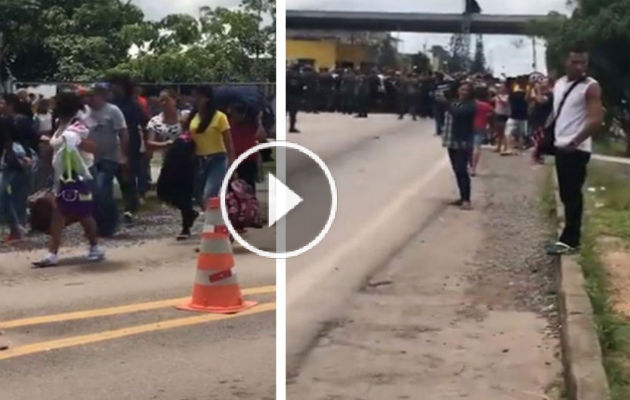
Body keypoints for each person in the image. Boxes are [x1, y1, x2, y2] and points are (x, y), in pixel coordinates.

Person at [32, 91, 104, 267]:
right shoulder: (58, 124)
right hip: (62, 176)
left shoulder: (78, 125)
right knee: (60, 213)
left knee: (83, 214)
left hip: (79, 175)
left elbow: (93, 147)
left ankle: (93, 247)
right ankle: (53, 253)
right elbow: (56, 148)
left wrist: (76, 142)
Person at [546, 45, 603, 255]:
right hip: (561, 146)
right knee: (565, 193)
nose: (579, 66)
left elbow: (596, 119)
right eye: (575, 62)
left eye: (583, 62)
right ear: (565, 62)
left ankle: (571, 241)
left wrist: (575, 142)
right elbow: (559, 113)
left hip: (576, 149)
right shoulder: (560, 84)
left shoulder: (590, 86)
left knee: (572, 195)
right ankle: (568, 238)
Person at [147, 89, 199, 240]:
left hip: (188, 160)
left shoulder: (185, 117)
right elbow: (149, 142)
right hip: (169, 160)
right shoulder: (155, 121)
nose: (163, 103)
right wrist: (165, 144)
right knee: (163, 192)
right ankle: (189, 212)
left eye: (166, 100)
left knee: (185, 193)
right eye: (161, 100)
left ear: (174, 100)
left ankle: (186, 227)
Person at [85, 84, 128, 237]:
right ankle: (98, 224)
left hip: (109, 156)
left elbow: (123, 133)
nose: (88, 99)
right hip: (90, 158)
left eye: (91, 95)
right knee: (94, 193)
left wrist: (123, 155)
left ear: (100, 96)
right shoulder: (85, 112)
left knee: (102, 189)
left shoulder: (112, 111)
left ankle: (109, 225)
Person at [109, 76, 149, 225]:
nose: (114, 89)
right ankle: (112, 212)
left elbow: (145, 122)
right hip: (111, 146)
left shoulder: (132, 105)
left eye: (117, 86)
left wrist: (146, 142)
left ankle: (130, 208)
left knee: (127, 177)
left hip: (131, 144)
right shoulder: (109, 105)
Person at [188, 85, 234, 208]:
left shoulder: (219, 117)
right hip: (199, 160)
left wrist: (232, 163)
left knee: (209, 194)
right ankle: (209, 219)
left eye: (198, 97)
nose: (195, 100)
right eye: (194, 97)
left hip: (217, 159)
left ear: (207, 99)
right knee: (198, 195)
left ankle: (211, 221)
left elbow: (229, 143)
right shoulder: (194, 117)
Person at [0, 94, 38, 242]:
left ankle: (18, 228)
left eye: (2, 102)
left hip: (20, 161)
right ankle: (17, 226)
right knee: (9, 195)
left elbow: (30, 139)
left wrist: (28, 155)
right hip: (11, 161)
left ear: (10, 105)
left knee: (16, 195)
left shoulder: (19, 120)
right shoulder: (5, 121)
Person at [439, 81, 476, 210]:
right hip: (452, 141)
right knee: (457, 170)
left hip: (463, 141)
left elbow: (457, 114)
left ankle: (467, 199)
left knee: (462, 170)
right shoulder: (455, 103)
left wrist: (445, 102)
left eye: (466, 90)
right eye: (462, 89)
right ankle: (462, 196)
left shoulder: (470, 106)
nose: (463, 92)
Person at [228, 101, 266, 193]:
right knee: (232, 190)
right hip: (234, 160)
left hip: (249, 160)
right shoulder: (227, 125)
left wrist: (259, 121)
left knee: (248, 190)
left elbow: (262, 137)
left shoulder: (251, 124)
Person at [530, 78, 554, 163]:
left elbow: (541, 101)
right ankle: (537, 155)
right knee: (537, 138)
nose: (541, 84)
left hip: (544, 119)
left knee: (542, 138)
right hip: (536, 119)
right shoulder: (540, 93)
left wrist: (538, 91)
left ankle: (537, 155)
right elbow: (532, 100)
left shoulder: (550, 94)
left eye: (544, 83)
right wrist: (533, 89)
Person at [471, 86, 494, 176]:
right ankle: (473, 168)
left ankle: (468, 165)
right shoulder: (486, 106)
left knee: (468, 147)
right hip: (481, 126)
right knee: (477, 148)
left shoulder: (471, 104)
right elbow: (493, 113)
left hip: (469, 126)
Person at [505, 77, 529, 154]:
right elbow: (528, 101)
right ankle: (520, 149)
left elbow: (508, 103)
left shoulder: (512, 94)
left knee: (508, 133)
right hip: (523, 116)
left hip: (513, 115)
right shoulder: (526, 94)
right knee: (521, 134)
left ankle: (509, 148)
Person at [492, 83, 510, 154]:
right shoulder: (497, 96)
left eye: (502, 88)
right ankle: (498, 147)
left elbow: (504, 103)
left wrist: (498, 96)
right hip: (497, 114)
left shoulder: (507, 96)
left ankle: (505, 147)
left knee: (504, 132)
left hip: (504, 115)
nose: (501, 89)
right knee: (498, 132)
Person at [287, 65, 303, 133]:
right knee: (293, 113)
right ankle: (291, 127)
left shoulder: (286, 74)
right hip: (295, 96)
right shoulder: (298, 76)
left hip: (286, 95)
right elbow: (301, 86)